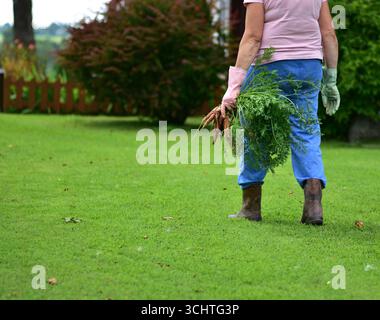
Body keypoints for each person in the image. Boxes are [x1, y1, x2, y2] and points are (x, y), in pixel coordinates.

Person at [222, 0, 340, 225]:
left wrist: (233, 86)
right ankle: (314, 206)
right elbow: (329, 34)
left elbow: (253, 37)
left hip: (270, 65)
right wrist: (331, 79)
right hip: (309, 67)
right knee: (306, 132)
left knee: (256, 133)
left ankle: (251, 206)